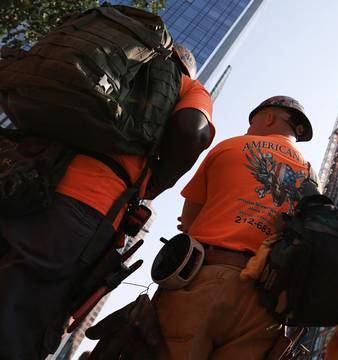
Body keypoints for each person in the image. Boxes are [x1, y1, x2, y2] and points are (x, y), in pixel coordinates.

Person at [0, 44, 214, 359]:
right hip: (83, 203)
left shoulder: (110, 55)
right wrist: (152, 187)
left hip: (16, 175)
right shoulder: (188, 86)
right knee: (18, 321)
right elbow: (191, 130)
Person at [153, 95, 313, 359]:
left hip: (204, 280)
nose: (248, 129)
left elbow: (189, 220)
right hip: (264, 304)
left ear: (269, 117)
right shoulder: (309, 176)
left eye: (252, 123)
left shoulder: (232, 146)